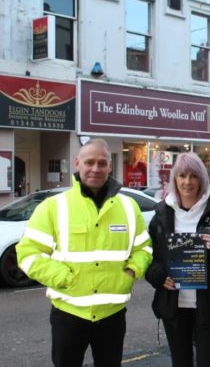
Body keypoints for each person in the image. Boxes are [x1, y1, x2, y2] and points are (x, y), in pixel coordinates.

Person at [16, 138, 153, 367]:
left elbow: (144, 248)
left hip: (112, 315)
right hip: (69, 314)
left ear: (110, 166)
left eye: (102, 163)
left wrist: (130, 272)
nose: (95, 169)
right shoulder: (53, 207)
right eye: (89, 162)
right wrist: (64, 278)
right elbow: (28, 253)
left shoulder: (129, 207)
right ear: (77, 164)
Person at [145, 152, 210, 367]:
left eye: (194, 176)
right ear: (174, 179)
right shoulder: (161, 214)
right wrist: (157, 275)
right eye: (182, 176)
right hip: (173, 305)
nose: (188, 182)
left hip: (208, 306)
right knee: (181, 361)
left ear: (202, 179)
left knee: (208, 362)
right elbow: (149, 256)